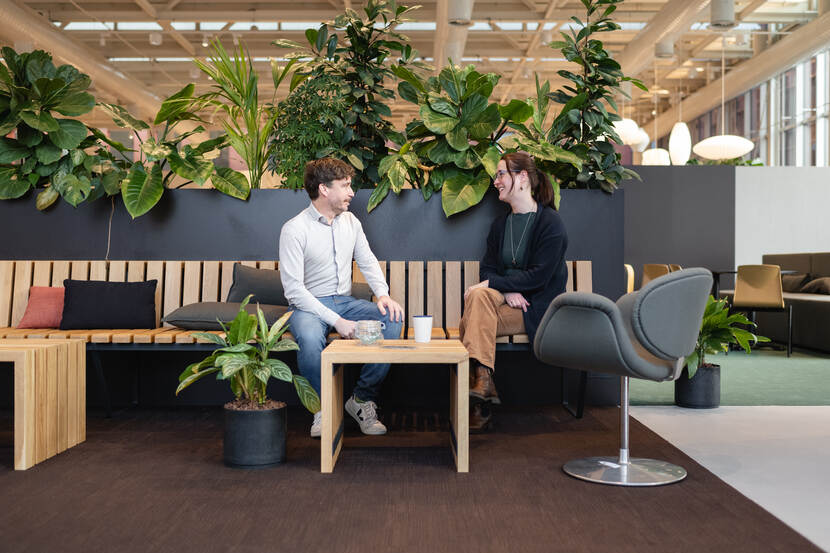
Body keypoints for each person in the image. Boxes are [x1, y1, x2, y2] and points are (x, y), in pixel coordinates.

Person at [279, 158, 404, 438]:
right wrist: (337, 321)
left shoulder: (351, 222)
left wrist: (383, 295)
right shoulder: (295, 229)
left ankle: (361, 400)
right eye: (345, 186)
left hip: (344, 301)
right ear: (324, 189)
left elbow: (367, 260)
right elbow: (294, 290)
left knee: (393, 318)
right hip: (308, 306)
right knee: (310, 340)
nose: (351, 192)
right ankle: (323, 409)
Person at [460, 152, 569, 430]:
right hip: (505, 302)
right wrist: (505, 290)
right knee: (479, 295)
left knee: (472, 316)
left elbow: (540, 277)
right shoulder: (500, 225)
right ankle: (483, 384)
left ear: (522, 178)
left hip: (535, 308)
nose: (495, 181)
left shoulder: (550, 224)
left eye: (500, 174)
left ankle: (480, 397)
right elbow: (488, 270)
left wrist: (498, 284)